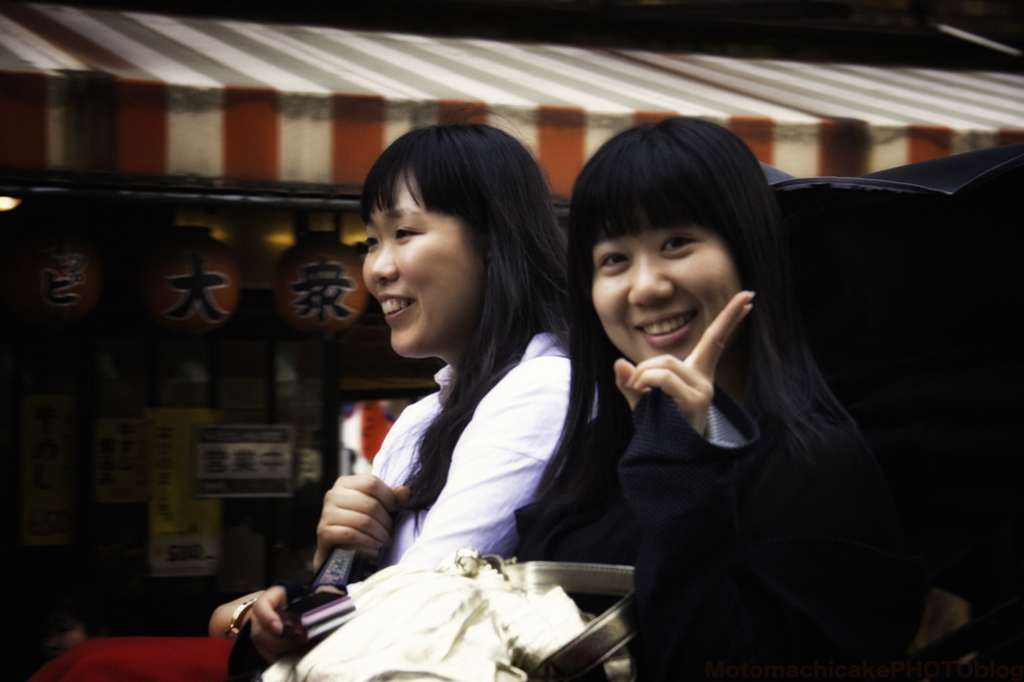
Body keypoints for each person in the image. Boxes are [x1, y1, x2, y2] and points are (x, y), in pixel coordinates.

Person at [32, 123, 570, 680]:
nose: (377, 268)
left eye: (404, 233)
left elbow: (421, 607)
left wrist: (274, 613)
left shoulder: (543, 389)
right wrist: (324, 572)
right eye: (371, 241)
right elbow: (372, 603)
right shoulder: (424, 417)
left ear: (493, 242)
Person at [515, 117, 924, 680]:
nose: (646, 286)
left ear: (749, 250)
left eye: (676, 243)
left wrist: (678, 473)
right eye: (614, 259)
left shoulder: (815, 464)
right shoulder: (593, 449)